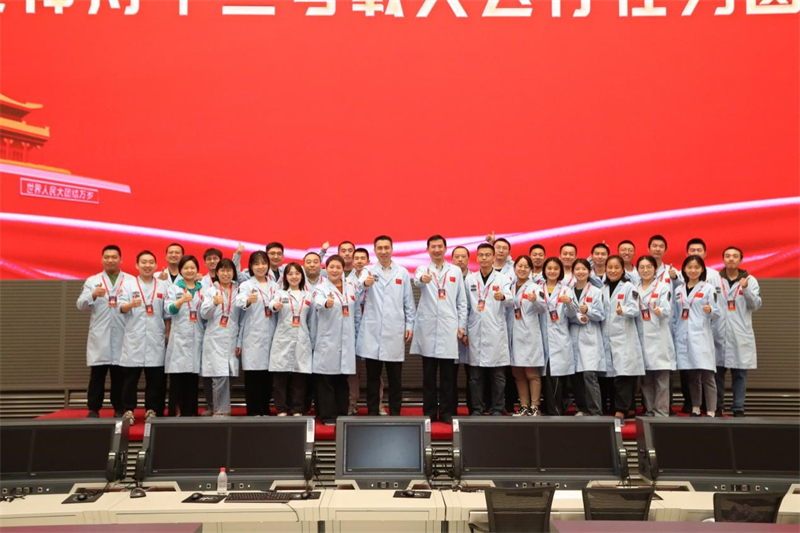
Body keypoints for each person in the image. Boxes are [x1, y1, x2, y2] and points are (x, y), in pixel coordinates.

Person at [355, 236, 416, 416]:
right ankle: (373, 412)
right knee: (372, 377)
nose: (383, 251)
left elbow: (408, 302)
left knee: (395, 378)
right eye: (380, 248)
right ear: (375, 250)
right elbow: (357, 292)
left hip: (394, 330)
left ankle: (395, 412)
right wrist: (364, 284)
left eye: (386, 248)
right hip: (372, 331)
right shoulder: (367, 271)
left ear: (392, 249)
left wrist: (410, 325)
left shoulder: (402, 272)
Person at [411, 235, 467, 424]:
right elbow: (417, 281)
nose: (436, 249)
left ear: (445, 248)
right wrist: (423, 279)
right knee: (428, 376)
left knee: (448, 376)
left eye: (439, 246)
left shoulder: (455, 271)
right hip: (428, 328)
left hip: (449, 328)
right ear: (428, 249)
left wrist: (461, 325)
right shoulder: (422, 269)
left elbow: (462, 301)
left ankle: (446, 412)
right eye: (433, 246)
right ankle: (429, 411)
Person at [76, 245, 128, 418]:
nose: (110, 260)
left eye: (114, 257)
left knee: (119, 375)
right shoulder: (92, 281)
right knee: (97, 375)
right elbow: (80, 305)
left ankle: (119, 408)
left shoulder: (130, 280)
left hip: (122, 334)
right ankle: (93, 409)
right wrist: (92, 295)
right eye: (107, 257)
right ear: (101, 259)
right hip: (100, 336)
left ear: (121, 259)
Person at [118, 250, 170, 424]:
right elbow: (120, 307)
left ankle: (152, 410)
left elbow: (167, 313)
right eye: (144, 262)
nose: (147, 265)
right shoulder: (128, 285)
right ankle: (128, 410)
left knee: (155, 378)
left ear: (156, 265)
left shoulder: (163, 285)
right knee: (130, 379)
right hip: (135, 338)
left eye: (150, 262)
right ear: (137, 265)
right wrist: (131, 304)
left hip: (156, 337)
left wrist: (167, 333)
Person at [464, 243, 513, 416]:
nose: (484, 258)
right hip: (475, 331)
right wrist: (464, 330)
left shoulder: (503, 279)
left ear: (493, 257)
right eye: (481, 255)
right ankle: (477, 409)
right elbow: (465, 307)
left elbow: (511, 300)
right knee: (475, 377)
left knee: (498, 376)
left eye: (487, 255)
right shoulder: (470, 279)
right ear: (477, 258)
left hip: (496, 333)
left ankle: (497, 408)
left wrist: (503, 296)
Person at [717, 246, 762, 417]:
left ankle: (738, 408)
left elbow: (755, 305)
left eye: (735, 256)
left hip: (740, 334)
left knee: (740, 375)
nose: (731, 259)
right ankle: (718, 406)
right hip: (718, 333)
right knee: (717, 374)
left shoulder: (750, 280)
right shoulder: (715, 279)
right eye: (727, 256)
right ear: (723, 259)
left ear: (741, 260)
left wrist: (746, 289)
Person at [674, 255, 721, 417]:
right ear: (684, 269)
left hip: (701, 336)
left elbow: (717, 312)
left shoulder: (708, 288)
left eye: (696, 267)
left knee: (707, 376)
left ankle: (711, 410)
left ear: (702, 270)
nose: (693, 270)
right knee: (692, 377)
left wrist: (710, 310)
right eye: (689, 267)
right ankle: (695, 407)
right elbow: (676, 315)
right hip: (684, 337)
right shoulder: (678, 290)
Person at [312, 256, 357, 425]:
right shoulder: (320, 288)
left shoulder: (350, 288)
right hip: (328, 340)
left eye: (338, 267)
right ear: (326, 268)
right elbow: (317, 302)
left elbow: (355, 312)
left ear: (343, 269)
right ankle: (328, 415)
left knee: (342, 380)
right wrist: (326, 303)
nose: (335, 270)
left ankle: (341, 413)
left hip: (346, 340)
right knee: (326, 380)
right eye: (332, 267)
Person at [601, 255, 645, 423]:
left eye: (616, 267)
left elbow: (635, 309)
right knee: (615, 376)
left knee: (623, 376)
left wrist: (623, 310)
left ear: (622, 270)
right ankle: (629, 407)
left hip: (624, 338)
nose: (613, 270)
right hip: (608, 337)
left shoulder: (629, 287)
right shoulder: (603, 289)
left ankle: (621, 409)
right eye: (610, 267)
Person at [235, 251, 278, 416]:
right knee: (253, 376)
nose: (261, 267)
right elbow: (239, 302)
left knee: (268, 376)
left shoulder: (275, 286)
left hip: (272, 335)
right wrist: (247, 301)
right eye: (257, 264)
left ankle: (265, 409)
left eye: (263, 263)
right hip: (252, 336)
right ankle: (253, 411)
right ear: (251, 267)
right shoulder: (246, 285)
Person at [269, 263, 315, 416]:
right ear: (285, 277)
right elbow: (271, 305)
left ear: (302, 276)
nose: (294, 277)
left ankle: (297, 408)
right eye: (290, 274)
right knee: (280, 377)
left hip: (302, 338)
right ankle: (281, 408)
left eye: (297, 273)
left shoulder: (308, 296)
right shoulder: (280, 293)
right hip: (283, 338)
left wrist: (313, 340)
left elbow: (311, 320)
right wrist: (275, 306)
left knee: (299, 377)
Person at [200, 259, 242, 417]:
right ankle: (221, 411)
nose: (226, 273)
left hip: (232, 337)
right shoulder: (210, 291)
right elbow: (204, 314)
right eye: (222, 270)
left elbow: (242, 318)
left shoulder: (238, 290)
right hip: (215, 338)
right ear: (217, 272)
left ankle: (216, 407)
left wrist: (239, 341)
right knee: (219, 375)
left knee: (229, 376)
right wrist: (214, 304)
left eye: (229, 270)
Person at [164, 255, 206, 416]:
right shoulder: (174, 288)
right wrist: (180, 301)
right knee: (177, 377)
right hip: (179, 336)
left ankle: (190, 412)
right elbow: (169, 310)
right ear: (180, 270)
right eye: (186, 268)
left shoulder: (203, 288)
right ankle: (175, 411)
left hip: (197, 336)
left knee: (192, 378)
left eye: (192, 268)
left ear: (197, 270)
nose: (189, 271)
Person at [635, 255, 676, 417]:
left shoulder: (662, 287)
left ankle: (661, 412)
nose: (645, 270)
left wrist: (661, 311)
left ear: (655, 269)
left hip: (659, 338)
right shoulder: (634, 288)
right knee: (646, 380)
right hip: (641, 338)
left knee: (661, 379)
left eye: (649, 267)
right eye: (642, 267)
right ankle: (650, 410)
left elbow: (667, 309)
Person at [507, 256, 547, 416]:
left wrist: (536, 300)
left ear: (530, 269)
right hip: (513, 334)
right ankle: (523, 405)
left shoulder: (535, 288)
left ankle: (535, 406)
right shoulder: (509, 287)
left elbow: (543, 308)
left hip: (529, 335)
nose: (522, 269)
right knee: (518, 374)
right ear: (514, 268)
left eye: (525, 266)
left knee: (531, 373)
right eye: (519, 266)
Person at [346, 247, 382, 415]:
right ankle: (352, 403)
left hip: (372, 326)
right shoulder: (347, 280)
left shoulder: (375, 276)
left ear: (368, 261)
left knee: (374, 370)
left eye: (363, 258)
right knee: (353, 370)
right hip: (353, 326)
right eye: (357, 258)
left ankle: (378, 404)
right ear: (352, 261)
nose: (359, 261)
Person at [539, 257, 578, 415]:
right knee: (545, 376)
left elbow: (572, 314)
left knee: (555, 376)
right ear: (544, 270)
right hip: (541, 336)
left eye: (556, 269)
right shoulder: (537, 288)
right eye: (549, 268)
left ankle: (555, 410)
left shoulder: (566, 290)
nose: (552, 271)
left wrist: (569, 303)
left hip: (559, 337)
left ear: (560, 271)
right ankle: (551, 408)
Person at [568, 259, 605, 417]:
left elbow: (601, 315)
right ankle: (582, 408)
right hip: (574, 336)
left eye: (584, 269)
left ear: (589, 272)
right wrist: (576, 316)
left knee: (589, 376)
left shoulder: (596, 291)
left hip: (590, 338)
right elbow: (565, 315)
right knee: (576, 376)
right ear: (573, 272)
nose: (581, 272)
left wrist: (588, 310)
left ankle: (595, 410)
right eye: (577, 269)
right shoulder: (568, 291)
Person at [451, 245, 473, 412]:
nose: (460, 260)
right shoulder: (448, 277)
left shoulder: (475, 279)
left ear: (468, 259)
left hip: (473, 332)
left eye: (463, 256)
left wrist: (466, 330)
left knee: (473, 375)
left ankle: (474, 408)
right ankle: (451, 408)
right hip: (452, 331)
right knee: (450, 374)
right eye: (457, 257)